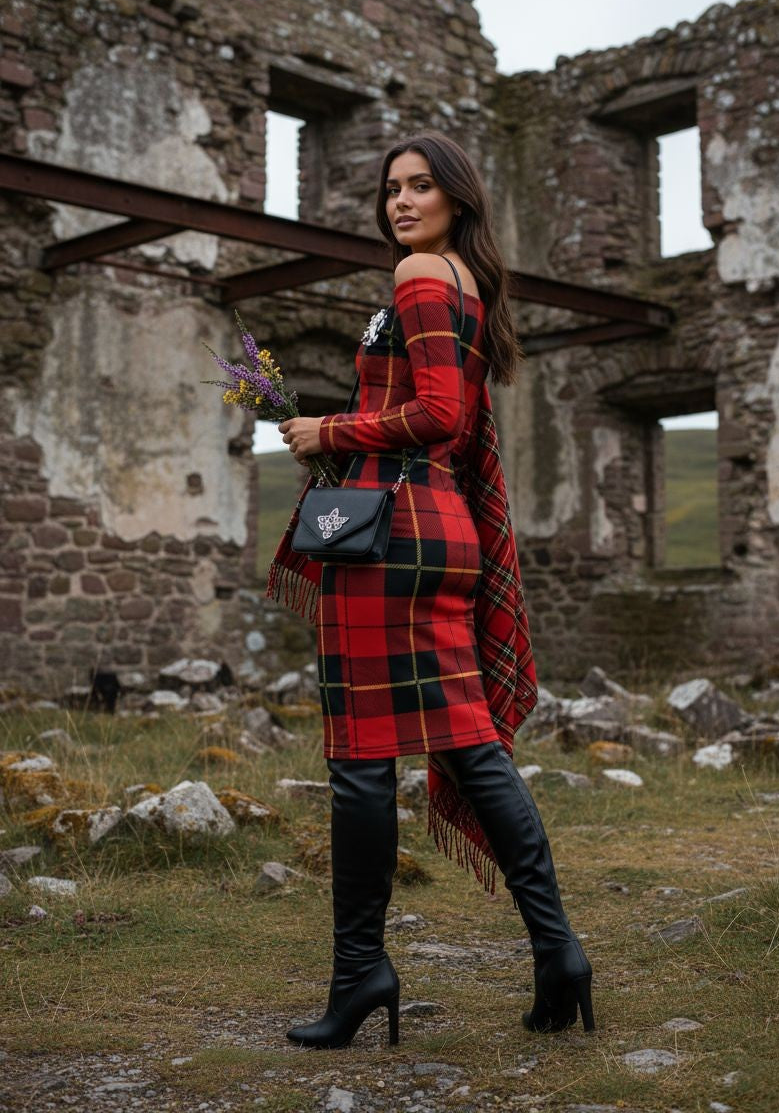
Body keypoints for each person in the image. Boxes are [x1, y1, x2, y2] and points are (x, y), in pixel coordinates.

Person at [267, 130, 594, 1049]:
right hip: (434, 531)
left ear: (458, 198)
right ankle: (558, 951)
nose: (400, 202)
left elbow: (440, 418)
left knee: (364, 758)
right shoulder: (462, 283)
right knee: (468, 743)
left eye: (421, 187)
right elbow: (446, 412)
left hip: (390, 539)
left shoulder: (421, 277)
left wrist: (329, 428)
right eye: (391, 190)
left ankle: (361, 973)